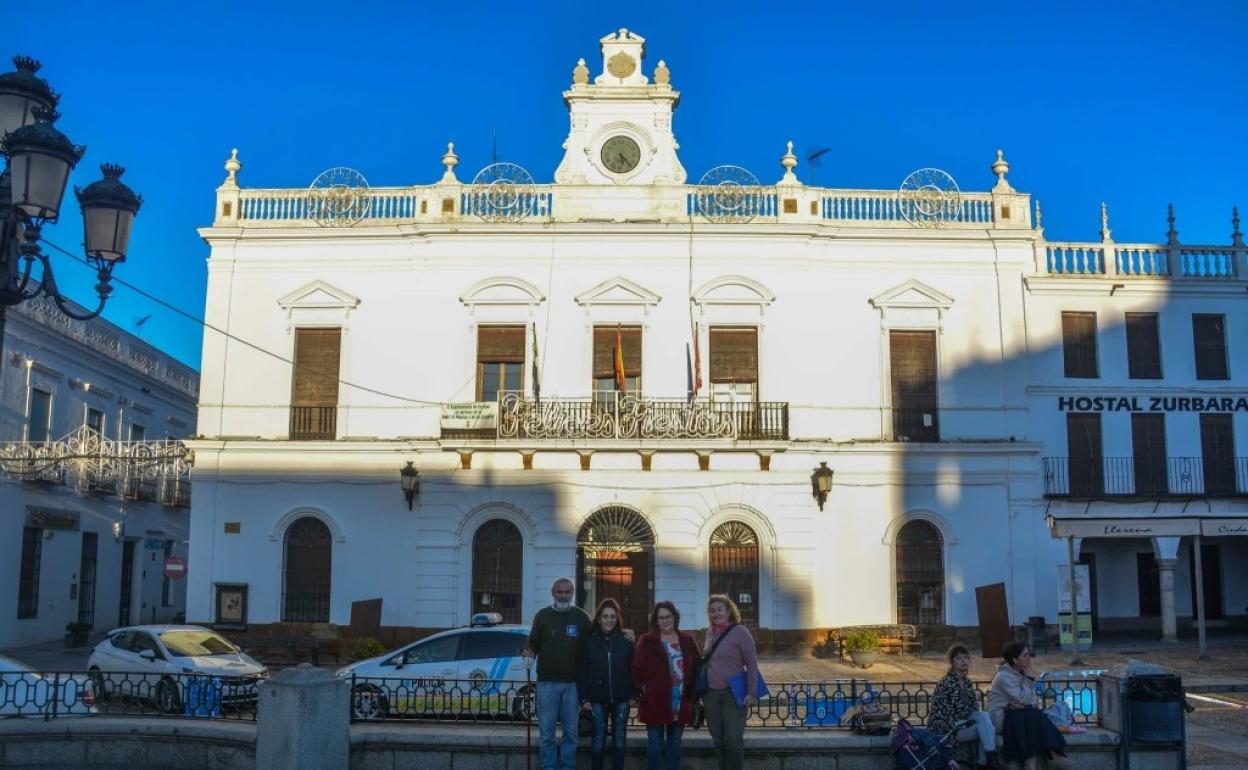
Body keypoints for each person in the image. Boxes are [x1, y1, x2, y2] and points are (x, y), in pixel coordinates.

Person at [524, 578, 594, 770]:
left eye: (567, 592)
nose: (563, 595)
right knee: (546, 732)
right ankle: (548, 767)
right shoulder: (542, 616)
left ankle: (567, 767)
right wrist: (529, 651)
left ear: (572, 594)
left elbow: (595, 641)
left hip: (573, 685)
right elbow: (533, 643)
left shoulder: (582, 617)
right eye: (559, 592)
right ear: (553, 593)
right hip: (547, 684)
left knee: (571, 732)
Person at [632, 601, 700, 770]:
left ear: (674, 617)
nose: (664, 620)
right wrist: (643, 688)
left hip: (680, 700)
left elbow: (698, 666)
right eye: (660, 617)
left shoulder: (687, 639)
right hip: (655, 700)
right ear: (656, 621)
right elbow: (636, 667)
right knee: (654, 742)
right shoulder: (647, 640)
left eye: (667, 616)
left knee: (675, 742)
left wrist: (694, 693)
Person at [986, 642, 1073, 770]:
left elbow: (1031, 702)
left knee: (1033, 717)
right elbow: (1023, 699)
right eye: (1025, 655)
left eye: (1029, 655)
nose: (1029, 658)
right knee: (1034, 715)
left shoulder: (1023, 674)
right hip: (1001, 718)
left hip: (1018, 717)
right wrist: (1029, 681)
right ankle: (1053, 754)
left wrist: (1023, 700)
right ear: (1015, 660)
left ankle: (1039, 761)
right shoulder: (1003, 677)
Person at [576, 598, 635, 770]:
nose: (609, 620)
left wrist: (634, 694)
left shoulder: (626, 641)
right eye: (605, 616)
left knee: (619, 741)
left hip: (621, 698)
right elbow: (582, 671)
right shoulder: (590, 642)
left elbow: (634, 669)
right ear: (599, 619)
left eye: (612, 616)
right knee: (598, 741)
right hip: (596, 698)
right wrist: (583, 698)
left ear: (617, 619)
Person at [701, 594, 759, 770]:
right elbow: (707, 659)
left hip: (733, 693)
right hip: (711, 693)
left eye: (720, 609)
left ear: (728, 611)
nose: (716, 613)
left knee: (733, 740)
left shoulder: (740, 632)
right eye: (712, 610)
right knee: (718, 740)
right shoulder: (709, 633)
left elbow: (751, 663)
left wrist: (751, 692)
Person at [928, 644, 999, 769]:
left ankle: (987, 760)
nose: (964, 661)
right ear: (952, 662)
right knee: (985, 726)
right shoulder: (947, 682)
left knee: (984, 719)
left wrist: (975, 716)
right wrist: (972, 716)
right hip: (947, 728)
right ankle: (986, 762)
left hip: (963, 723)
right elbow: (954, 712)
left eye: (966, 658)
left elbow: (974, 707)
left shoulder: (967, 682)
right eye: (959, 658)